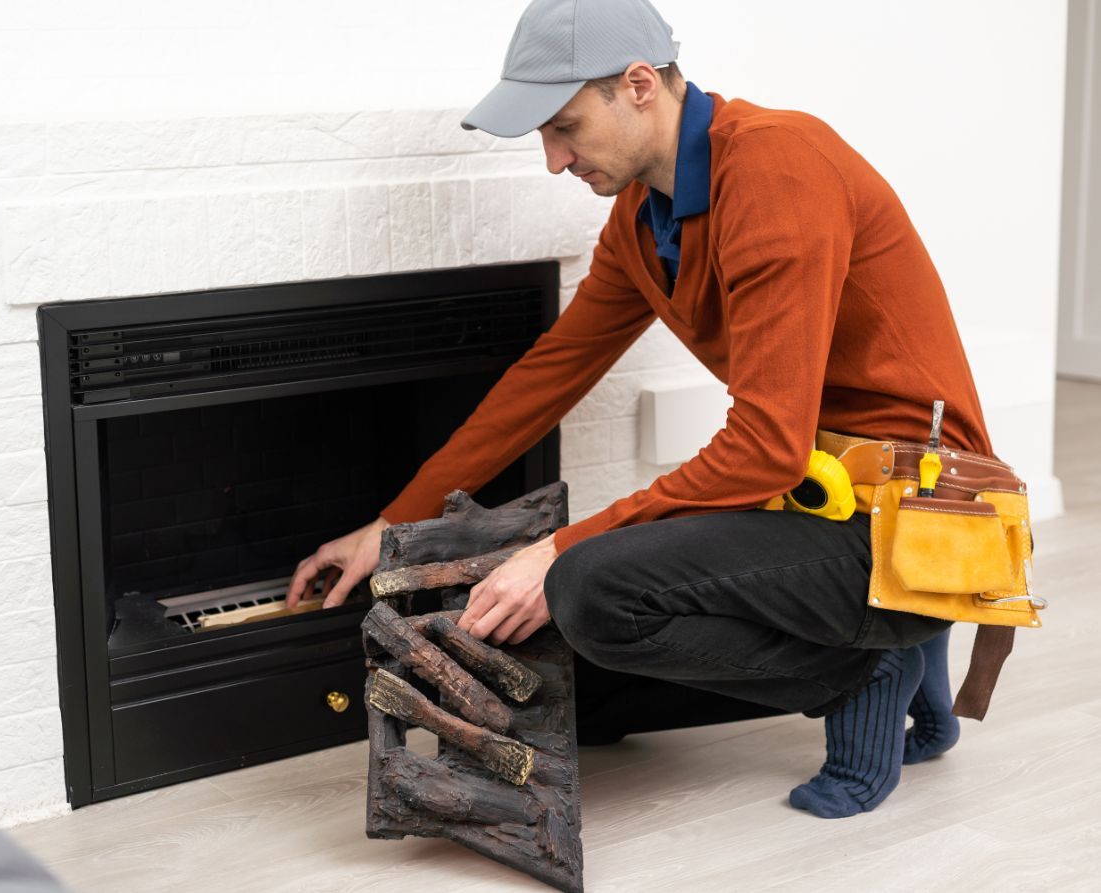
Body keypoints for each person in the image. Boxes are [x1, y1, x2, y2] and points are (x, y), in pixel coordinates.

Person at [286, 0, 986, 819]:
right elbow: (547, 376)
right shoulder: (642, 218)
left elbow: (763, 446)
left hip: (911, 515)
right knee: (573, 681)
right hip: (818, 496)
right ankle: (887, 636)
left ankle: (868, 664)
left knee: (586, 586)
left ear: (639, 84)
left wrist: (558, 548)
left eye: (565, 127)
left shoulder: (777, 170)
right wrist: (389, 526)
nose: (553, 160)